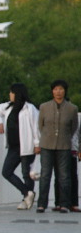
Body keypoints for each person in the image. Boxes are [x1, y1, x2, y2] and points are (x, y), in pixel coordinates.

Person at [0, 83, 39, 210]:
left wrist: (37, 144)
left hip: (27, 146)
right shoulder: (8, 107)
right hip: (13, 147)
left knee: (26, 173)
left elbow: (36, 127)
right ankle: (27, 193)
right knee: (6, 171)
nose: (10, 95)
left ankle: (26, 199)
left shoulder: (30, 108)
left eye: (11, 92)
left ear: (17, 93)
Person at [35, 79, 78, 213]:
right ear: (52, 91)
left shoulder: (72, 108)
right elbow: (40, 126)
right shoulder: (44, 106)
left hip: (64, 146)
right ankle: (42, 204)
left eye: (61, 89)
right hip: (47, 145)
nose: (58, 92)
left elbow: (74, 127)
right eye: (55, 89)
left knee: (64, 176)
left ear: (65, 91)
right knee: (45, 175)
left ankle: (64, 204)